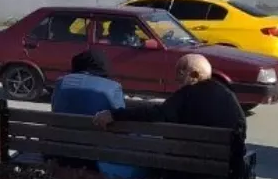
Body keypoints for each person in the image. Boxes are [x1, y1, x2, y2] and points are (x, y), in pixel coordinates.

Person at [50, 50, 144, 179]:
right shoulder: (113, 87)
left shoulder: (60, 83)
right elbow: (121, 124)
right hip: (97, 156)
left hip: (59, 152)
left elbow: (55, 108)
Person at [93, 54, 246, 132]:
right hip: (225, 167)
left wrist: (115, 114)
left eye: (180, 73)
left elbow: (156, 114)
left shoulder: (187, 94)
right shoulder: (227, 94)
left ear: (193, 75)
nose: (176, 79)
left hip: (187, 166)